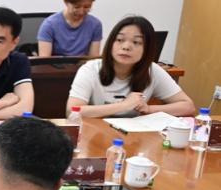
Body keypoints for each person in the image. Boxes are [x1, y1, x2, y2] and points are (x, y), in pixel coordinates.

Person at [66, 15, 195, 118]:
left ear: (147, 49)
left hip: (134, 137)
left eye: (136, 42)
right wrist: (124, 105)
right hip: (95, 134)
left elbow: (188, 107)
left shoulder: (152, 70)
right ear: (111, 43)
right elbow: (72, 111)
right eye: (120, 40)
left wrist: (149, 109)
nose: (126, 47)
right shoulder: (90, 69)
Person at [37, 0, 103, 57]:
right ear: (66, 2)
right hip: (57, 64)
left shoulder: (95, 25)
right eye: (77, 7)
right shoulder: (49, 25)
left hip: (84, 64)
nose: (81, 12)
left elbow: (93, 58)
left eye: (87, 7)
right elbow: (45, 59)